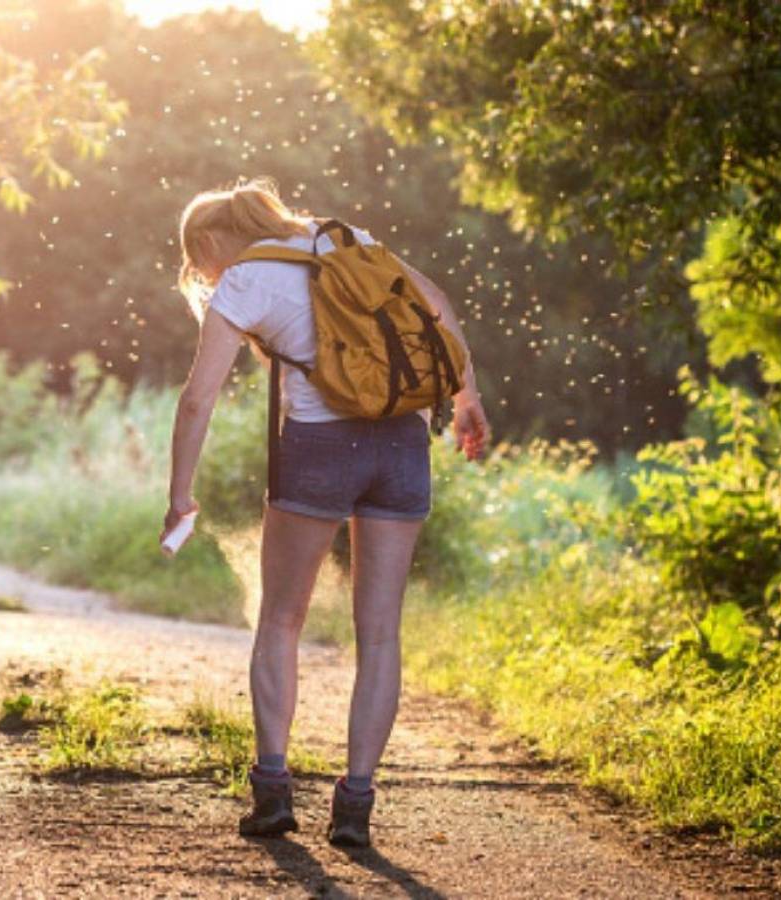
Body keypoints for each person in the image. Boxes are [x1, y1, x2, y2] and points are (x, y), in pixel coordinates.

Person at [161, 178, 489, 847]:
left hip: (317, 448)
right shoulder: (346, 240)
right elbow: (439, 304)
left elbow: (198, 399)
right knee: (380, 634)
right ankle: (355, 807)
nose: (204, 275)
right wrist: (465, 401)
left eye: (200, 263)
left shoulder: (246, 280)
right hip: (401, 441)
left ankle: (274, 795)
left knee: (281, 619)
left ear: (209, 245)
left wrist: (179, 493)